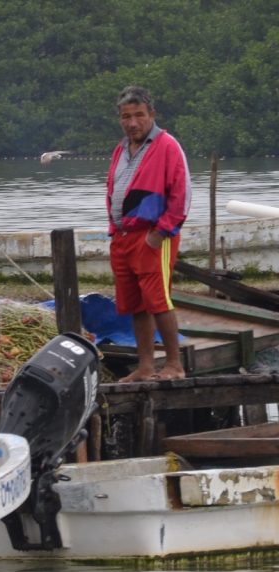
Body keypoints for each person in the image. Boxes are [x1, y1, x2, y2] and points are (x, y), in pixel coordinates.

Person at [106, 85, 191, 382]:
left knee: (158, 299)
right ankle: (145, 366)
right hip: (123, 236)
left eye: (139, 115)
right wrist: (114, 230)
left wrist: (160, 233)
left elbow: (182, 197)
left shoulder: (167, 145)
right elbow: (114, 189)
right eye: (126, 116)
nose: (133, 123)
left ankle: (174, 364)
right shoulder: (121, 149)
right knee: (134, 303)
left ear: (151, 114)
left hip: (153, 235)